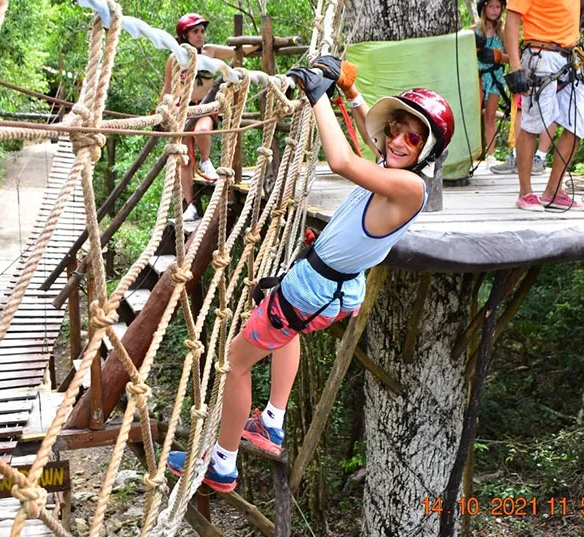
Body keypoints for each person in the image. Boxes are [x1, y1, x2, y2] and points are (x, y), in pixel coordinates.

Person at [166, 56, 455, 492]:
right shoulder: (398, 172)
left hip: (313, 289)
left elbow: (340, 161)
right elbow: (375, 140)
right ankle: (273, 420)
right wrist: (350, 92)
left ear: (426, 150)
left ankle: (222, 464)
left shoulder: (411, 188)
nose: (396, 141)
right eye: (394, 130)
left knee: (233, 364)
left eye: (411, 138)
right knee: (287, 334)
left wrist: (317, 93)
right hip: (328, 287)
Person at [492, 0, 584, 184]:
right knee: (532, 126)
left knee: (577, 126)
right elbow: (512, 21)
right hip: (540, 55)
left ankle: (554, 191)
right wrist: (515, 67)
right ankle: (525, 192)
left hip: (570, 58)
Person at [160, 13, 257, 221]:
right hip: (182, 110)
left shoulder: (209, 51)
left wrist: (259, 45)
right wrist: (160, 113)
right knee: (184, 159)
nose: (200, 35)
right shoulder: (174, 58)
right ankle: (191, 205)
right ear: (185, 34)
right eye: (195, 31)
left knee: (202, 130)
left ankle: (205, 161)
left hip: (206, 107)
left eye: (202, 31)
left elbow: (237, 51)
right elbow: (167, 87)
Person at [473, 0, 509, 169]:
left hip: (495, 77)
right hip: (478, 77)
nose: (495, 11)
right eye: (491, 7)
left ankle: (491, 154)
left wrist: (497, 55)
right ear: (484, 8)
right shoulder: (474, 31)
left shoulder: (503, 32)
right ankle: (471, 152)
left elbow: (512, 56)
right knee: (473, 114)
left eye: (498, 7)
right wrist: (477, 50)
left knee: (490, 117)